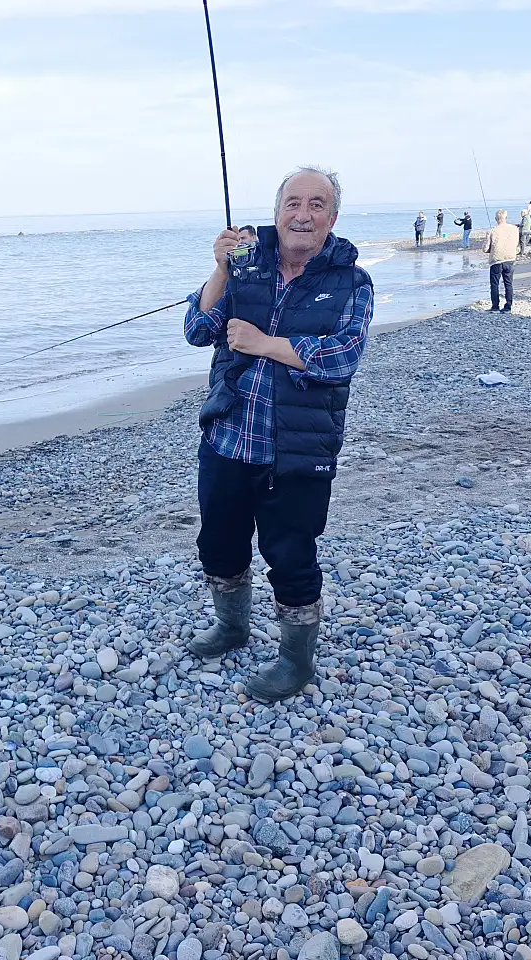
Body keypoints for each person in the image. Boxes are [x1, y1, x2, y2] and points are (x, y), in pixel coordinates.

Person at [183, 165, 374, 703]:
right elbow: (197, 330)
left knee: (291, 557)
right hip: (226, 442)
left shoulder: (352, 281)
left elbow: (342, 357)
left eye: (317, 204)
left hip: (298, 450)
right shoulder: (245, 266)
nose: (303, 214)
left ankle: (296, 661)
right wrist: (220, 269)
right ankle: (232, 627)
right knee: (218, 545)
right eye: (294, 203)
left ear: (332, 218)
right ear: (277, 212)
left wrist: (265, 343)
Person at [482, 209, 519, 312]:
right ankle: (508, 306)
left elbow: (485, 249)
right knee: (508, 284)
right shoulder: (514, 229)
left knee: (495, 284)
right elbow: (516, 243)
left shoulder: (492, 231)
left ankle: (495, 307)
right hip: (510, 259)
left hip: (496, 260)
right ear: (506, 218)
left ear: (496, 219)